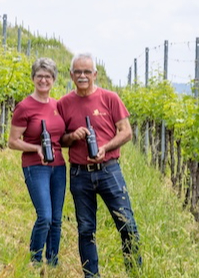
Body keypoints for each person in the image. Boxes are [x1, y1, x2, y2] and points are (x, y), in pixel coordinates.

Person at [57, 53, 141, 277]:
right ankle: (91, 275)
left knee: (127, 225)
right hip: (79, 173)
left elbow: (127, 132)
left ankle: (135, 272)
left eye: (87, 72)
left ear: (95, 74)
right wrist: (73, 136)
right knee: (86, 229)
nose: (82, 76)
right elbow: (60, 140)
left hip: (109, 170)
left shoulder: (110, 98)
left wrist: (105, 147)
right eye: (78, 72)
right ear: (71, 75)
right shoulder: (64, 104)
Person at [8, 57, 66, 267]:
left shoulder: (58, 105)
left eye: (48, 76)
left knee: (57, 220)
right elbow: (12, 142)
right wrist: (36, 148)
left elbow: (63, 136)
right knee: (45, 217)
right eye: (40, 76)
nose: (43, 80)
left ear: (53, 80)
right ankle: (35, 261)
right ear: (33, 78)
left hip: (58, 167)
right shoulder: (24, 107)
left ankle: (52, 262)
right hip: (35, 167)